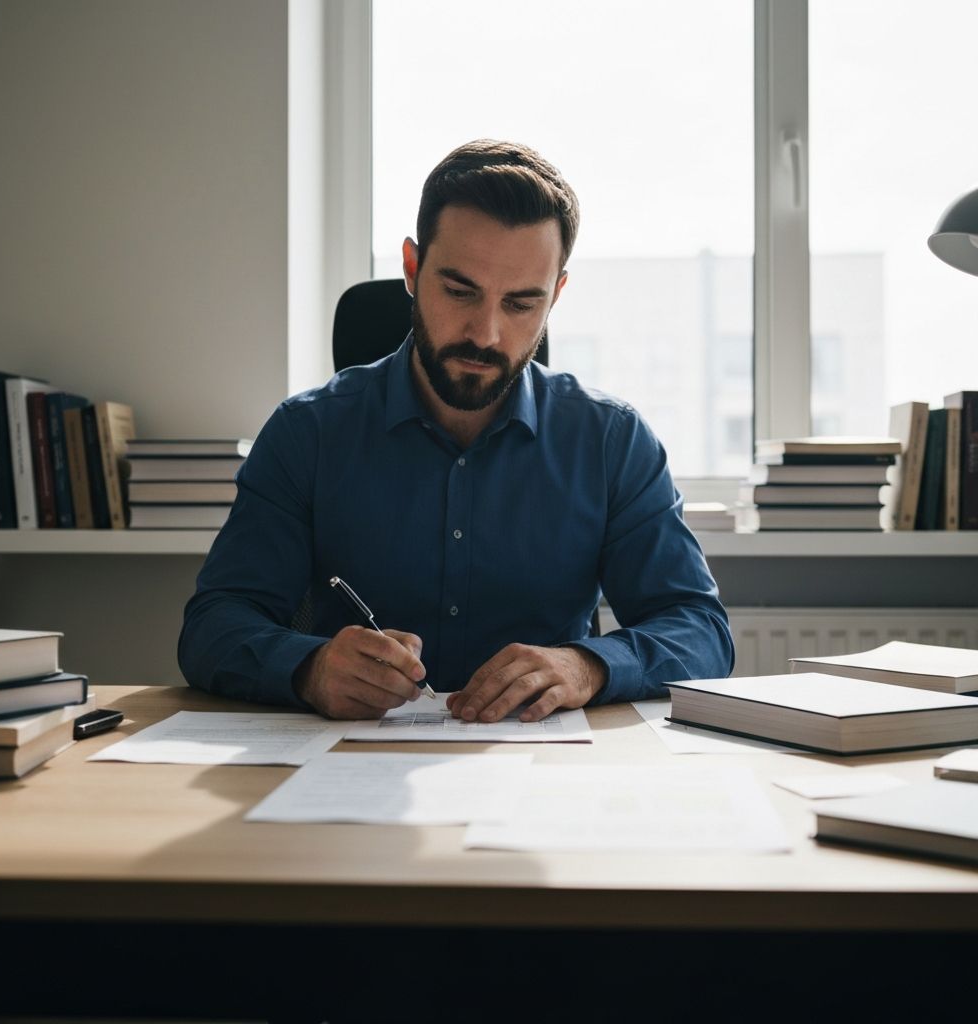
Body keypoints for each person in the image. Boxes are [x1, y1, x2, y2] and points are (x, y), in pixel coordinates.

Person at [178, 139, 734, 722]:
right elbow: (214, 625)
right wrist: (309, 669)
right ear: (412, 269)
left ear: (555, 296)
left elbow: (700, 631)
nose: (485, 334)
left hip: (545, 763)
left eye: (520, 304)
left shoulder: (611, 441)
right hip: (343, 759)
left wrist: (585, 666)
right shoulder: (306, 433)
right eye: (460, 291)